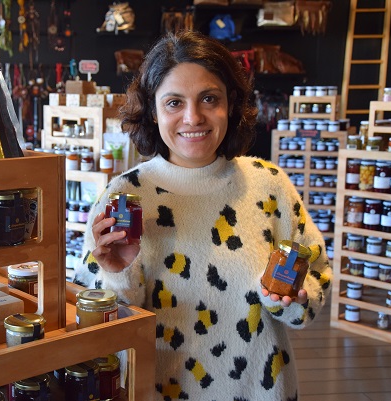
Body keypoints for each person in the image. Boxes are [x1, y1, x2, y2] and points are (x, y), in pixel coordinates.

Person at [73, 30, 332, 400]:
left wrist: (289, 300)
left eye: (209, 98)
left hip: (260, 389)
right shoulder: (125, 196)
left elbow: (313, 283)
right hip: (161, 389)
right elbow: (98, 326)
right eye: (174, 103)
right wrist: (118, 274)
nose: (193, 117)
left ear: (232, 103)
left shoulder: (269, 185)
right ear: (153, 111)